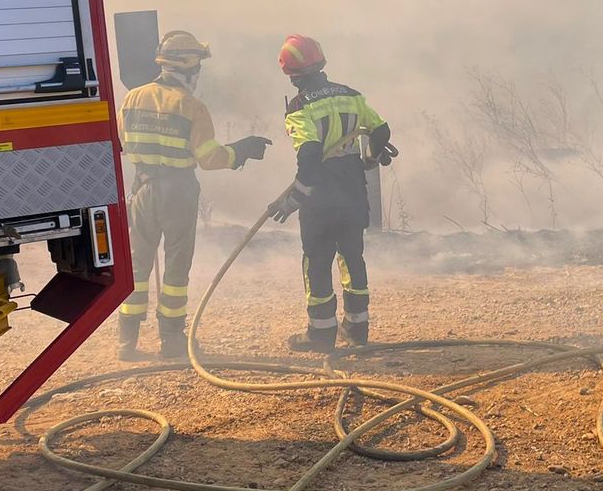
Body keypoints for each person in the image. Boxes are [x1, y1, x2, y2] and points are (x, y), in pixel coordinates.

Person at [117, 30, 270, 360]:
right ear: (186, 67)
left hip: (141, 189)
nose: (198, 74)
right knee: (175, 267)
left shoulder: (131, 99)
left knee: (137, 265)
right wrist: (242, 150)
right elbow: (210, 158)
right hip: (178, 192)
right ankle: (171, 339)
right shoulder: (192, 107)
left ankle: (126, 341)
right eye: (197, 66)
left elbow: (122, 143)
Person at [271, 35, 396, 352]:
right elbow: (381, 130)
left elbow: (310, 154)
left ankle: (321, 334)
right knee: (352, 256)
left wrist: (295, 198)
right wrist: (370, 157)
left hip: (321, 195)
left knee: (317, 260)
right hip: (353, 189)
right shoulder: (351, 95)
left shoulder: (300, 107)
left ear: (292, 74)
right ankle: (357, 328)